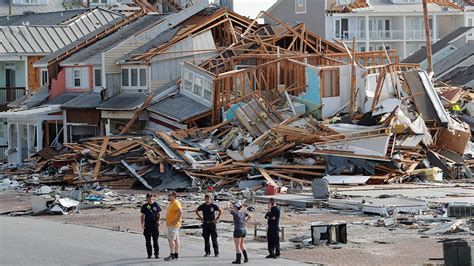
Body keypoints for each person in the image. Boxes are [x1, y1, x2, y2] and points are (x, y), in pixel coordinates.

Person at [140, 193, 161, 259]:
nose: (149, 198)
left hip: (154, 224)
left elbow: (158, 213)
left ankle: (156, 254)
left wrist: (158, 221)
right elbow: (142, 216)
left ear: (152, 197)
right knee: (148, 241)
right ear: (146, 198)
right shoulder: (144, 206)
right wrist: (142, 224)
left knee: (155, 240)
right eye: (148, 197)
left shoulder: (155, 204)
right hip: (147, 225)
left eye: (150, 197)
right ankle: (149, 254)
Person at [164, 191, 182, 262]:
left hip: (173, 225)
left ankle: (172, 255)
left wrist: (176, 221)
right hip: (173, 224)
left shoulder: (175, 202)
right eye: (168, 195)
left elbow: (180, 211)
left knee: (171, 239)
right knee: (176, 239)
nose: (168, 196)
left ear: (174, 196)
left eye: (170, 195)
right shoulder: (172, 203)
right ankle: (176, 254)